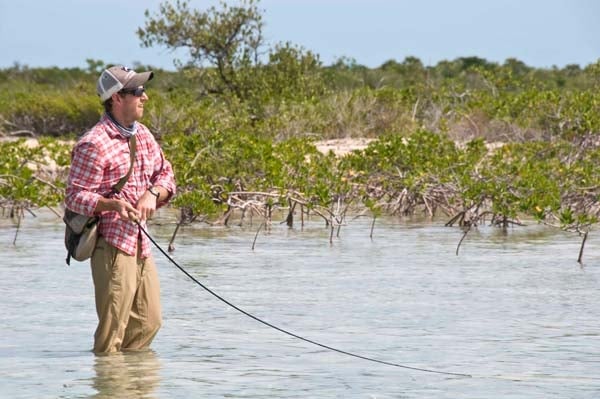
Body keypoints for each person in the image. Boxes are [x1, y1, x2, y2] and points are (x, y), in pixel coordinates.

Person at [65, 65, 176, 354]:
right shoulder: (93, 143)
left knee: (149, 324)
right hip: (111, 245)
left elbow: (166, 176)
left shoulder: (144, 135)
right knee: (111, 334)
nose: (145, 97)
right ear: (116, 98)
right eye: (138, 91)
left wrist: (153, 194)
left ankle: (131, 386)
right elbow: (75, 197)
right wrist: (111, 204)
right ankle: (107, 386)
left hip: (141, 245)